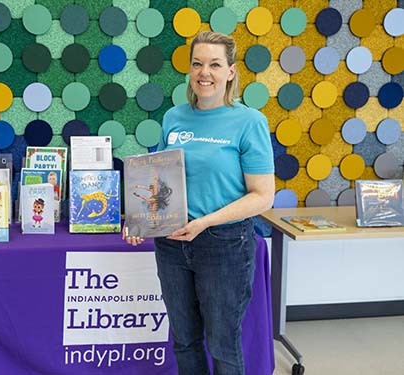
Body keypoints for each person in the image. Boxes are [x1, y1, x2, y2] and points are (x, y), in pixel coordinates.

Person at [123, 31, 275, 375]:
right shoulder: (174, 118)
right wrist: (138, 220)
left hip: (224, 246)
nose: (204, 72)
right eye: (197, 63)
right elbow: (159, 179)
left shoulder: (250, 122)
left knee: (222, 345)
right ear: (190, 70)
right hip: (172, 244)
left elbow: (263, 196)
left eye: (214, 64)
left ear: (231, 72)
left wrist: (206, 222)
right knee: (184, 340)